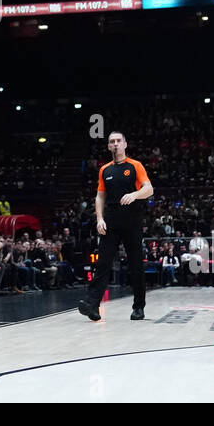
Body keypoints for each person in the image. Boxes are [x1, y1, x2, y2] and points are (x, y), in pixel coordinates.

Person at [79, 131, 153, 322]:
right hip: (110, 220)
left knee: (136, 264)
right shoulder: (105, 170)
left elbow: (148, 188)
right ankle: (92, 305)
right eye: (112, 142)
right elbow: (100, 196)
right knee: (103, 263)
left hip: (132, 219)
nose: (116, 144)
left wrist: (134, 195)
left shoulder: (135, 166)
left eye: (119, 141)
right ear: (109, 146)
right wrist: (100, 219)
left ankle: (139, 307)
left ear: (125, 144)